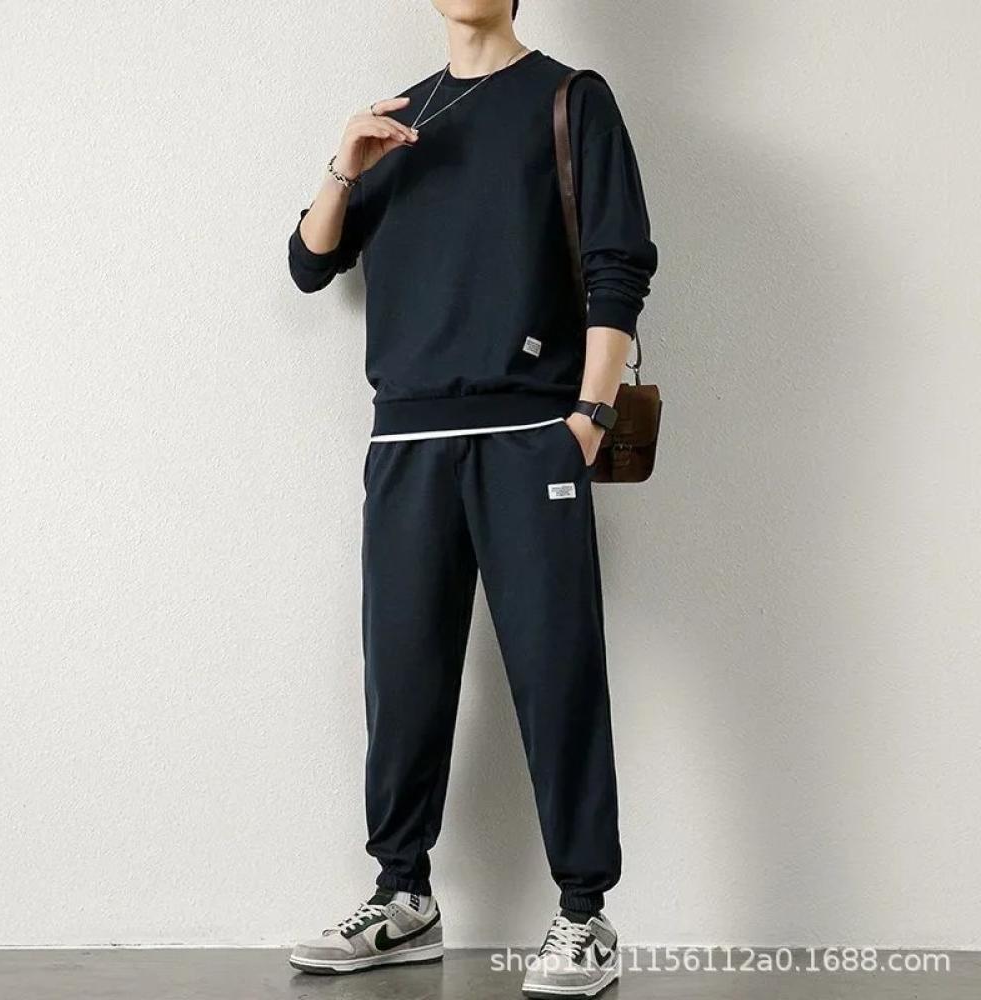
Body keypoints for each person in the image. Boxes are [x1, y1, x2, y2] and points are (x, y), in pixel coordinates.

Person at [286, 1, 658, 995]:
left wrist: (587, 415)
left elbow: (617, 265)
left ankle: (584, 914)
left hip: (529, 433)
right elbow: (311, 264)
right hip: (406, 439)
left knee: (555, 670)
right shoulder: (397, 117)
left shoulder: (570, 99)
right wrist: (343, 164)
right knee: (402, 674)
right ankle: (402, 896)